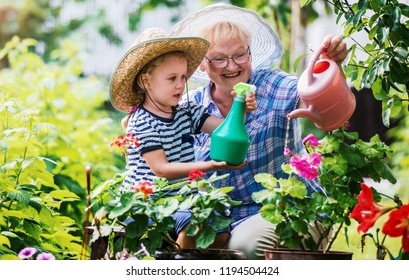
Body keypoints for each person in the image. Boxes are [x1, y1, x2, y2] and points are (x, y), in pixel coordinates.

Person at [170, 3, 349, 259]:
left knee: (245, 246)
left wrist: (331, 66)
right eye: (219, 58)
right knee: (182, 242)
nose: (231, 66)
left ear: (250, 54)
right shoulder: (190, 108)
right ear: (201, 64)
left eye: (240, 54)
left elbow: (319, 104)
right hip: (222, 216)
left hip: (286, 206)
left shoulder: (273, 85)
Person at [108, 27, 257, 250]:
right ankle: (179, 262)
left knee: (221, 227)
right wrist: (209, 165)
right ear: (146, 81)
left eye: (183, 77)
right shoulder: (142, 121)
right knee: (195, 224)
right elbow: (161, 169)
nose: (180, 85)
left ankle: (186, 258)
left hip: (181, 201)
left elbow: (223, 129)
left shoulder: (186, 112)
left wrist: (240, 106)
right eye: (172, 78)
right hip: (147, 202)